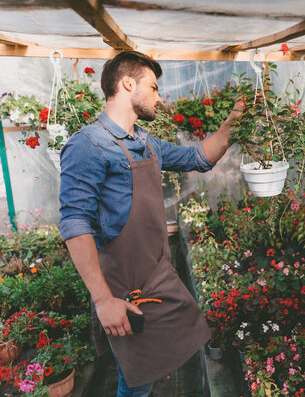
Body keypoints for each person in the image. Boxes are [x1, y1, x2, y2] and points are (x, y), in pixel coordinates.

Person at [58, 51, 245, 396]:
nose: (160, 97)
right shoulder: (88, 145)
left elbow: (198, 157)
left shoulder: (146, 143)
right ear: (128, 84)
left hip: (156, 277)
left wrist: (236, 118)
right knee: (137, 381)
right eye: (154, 87)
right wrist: (103, 301)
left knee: (148, 372)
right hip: (123, 288)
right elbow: (75, 222)